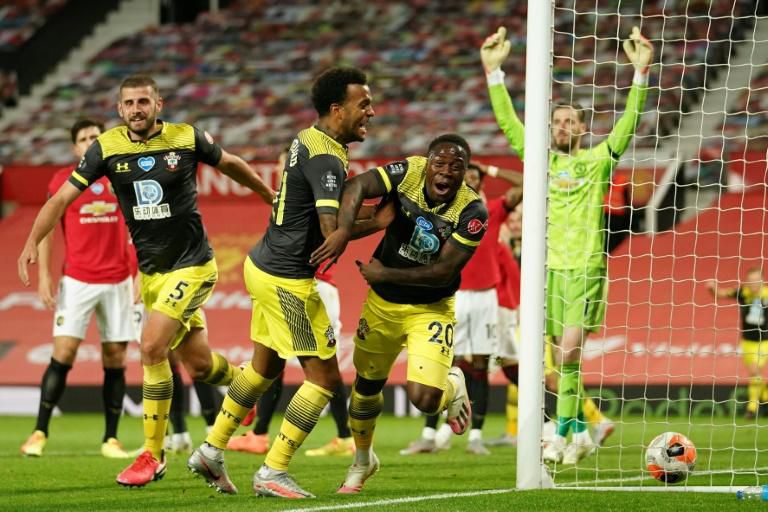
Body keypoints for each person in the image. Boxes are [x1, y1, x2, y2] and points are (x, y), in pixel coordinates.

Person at [17, 74, 275, 487]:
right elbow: (62, 198)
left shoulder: (186, 138)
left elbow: (230, 164)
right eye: (129, 103)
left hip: (193, 265)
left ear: (159, 103)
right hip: (153, 273)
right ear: (119, 110)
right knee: (200, 364)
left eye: (143, 101)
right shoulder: (106, 148)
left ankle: (151, 456)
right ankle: (245, 384)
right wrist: (33, 239)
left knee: (151, 347)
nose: (136, 109)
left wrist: (268, 196)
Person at [187, 66, 375, 498]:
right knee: (324, 380)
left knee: (264, 367)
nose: (371, 111)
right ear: (337, 108)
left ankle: (211, 450)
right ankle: (273, 470)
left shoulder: (308, 138)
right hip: (287, 280)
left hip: (264, 265)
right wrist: (382, 220)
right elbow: (333, 231)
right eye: (362, 103)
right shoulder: (327, 157)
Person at [481, 25, 653, 464]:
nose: (561, 126)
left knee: (572, 351)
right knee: (560, 362)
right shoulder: (540, 159)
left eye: (569, 121)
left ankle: (561, 431)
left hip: (586, 268)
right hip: (548, 270)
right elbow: (508, 122)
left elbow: (628, 126)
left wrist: (640, 75)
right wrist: (494, 74)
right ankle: (575, 432)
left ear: (581, 128)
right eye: (556, 121)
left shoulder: (598, 161)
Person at [310, 133, 488, 494]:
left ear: (465, 172)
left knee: (424, 400)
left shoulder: (473, 212)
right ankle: (362, 461)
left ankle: (453, 382)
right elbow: (358, 184)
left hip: (431, 308)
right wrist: (343, 231)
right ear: (427, 165)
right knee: (365, 388)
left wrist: (383, 273)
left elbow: (443, 272)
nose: (447, 172)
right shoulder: (409, 171)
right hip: (382, 306)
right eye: (439, 164)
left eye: (456, 167)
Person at [20, 119, 137, 459]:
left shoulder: (120, 176)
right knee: (64, 354)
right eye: (84, 138)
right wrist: (43, 275)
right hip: (78, 280)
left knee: (115, 359)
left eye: (95, 136)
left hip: (117, 281)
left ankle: (110, 439)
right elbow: (48, 229)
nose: (90, 141)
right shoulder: (63, 181)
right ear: (75, 148)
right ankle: (39, 432)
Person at [400, 161, 522, 456]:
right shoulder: (442, 214)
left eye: (473, 177)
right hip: (451, 296)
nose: (468, 180)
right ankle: (430, 434)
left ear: (480, 184)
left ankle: (475, 437)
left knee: (480, 365)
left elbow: (524, 183)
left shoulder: (491, 211)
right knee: (441, 362)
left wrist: (492, 169)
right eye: (463, 177)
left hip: (484, 298)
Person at [707, 268, 768, 419]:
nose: (753, 283)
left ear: (762, 281)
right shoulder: (743, 293)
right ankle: (765, 398)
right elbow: (720, 294)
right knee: (755, 374)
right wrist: (712, 288)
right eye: (750, 280)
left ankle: (752, 408)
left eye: (756, 280)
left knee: (754, 371)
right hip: (747, 342)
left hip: (765, 341)